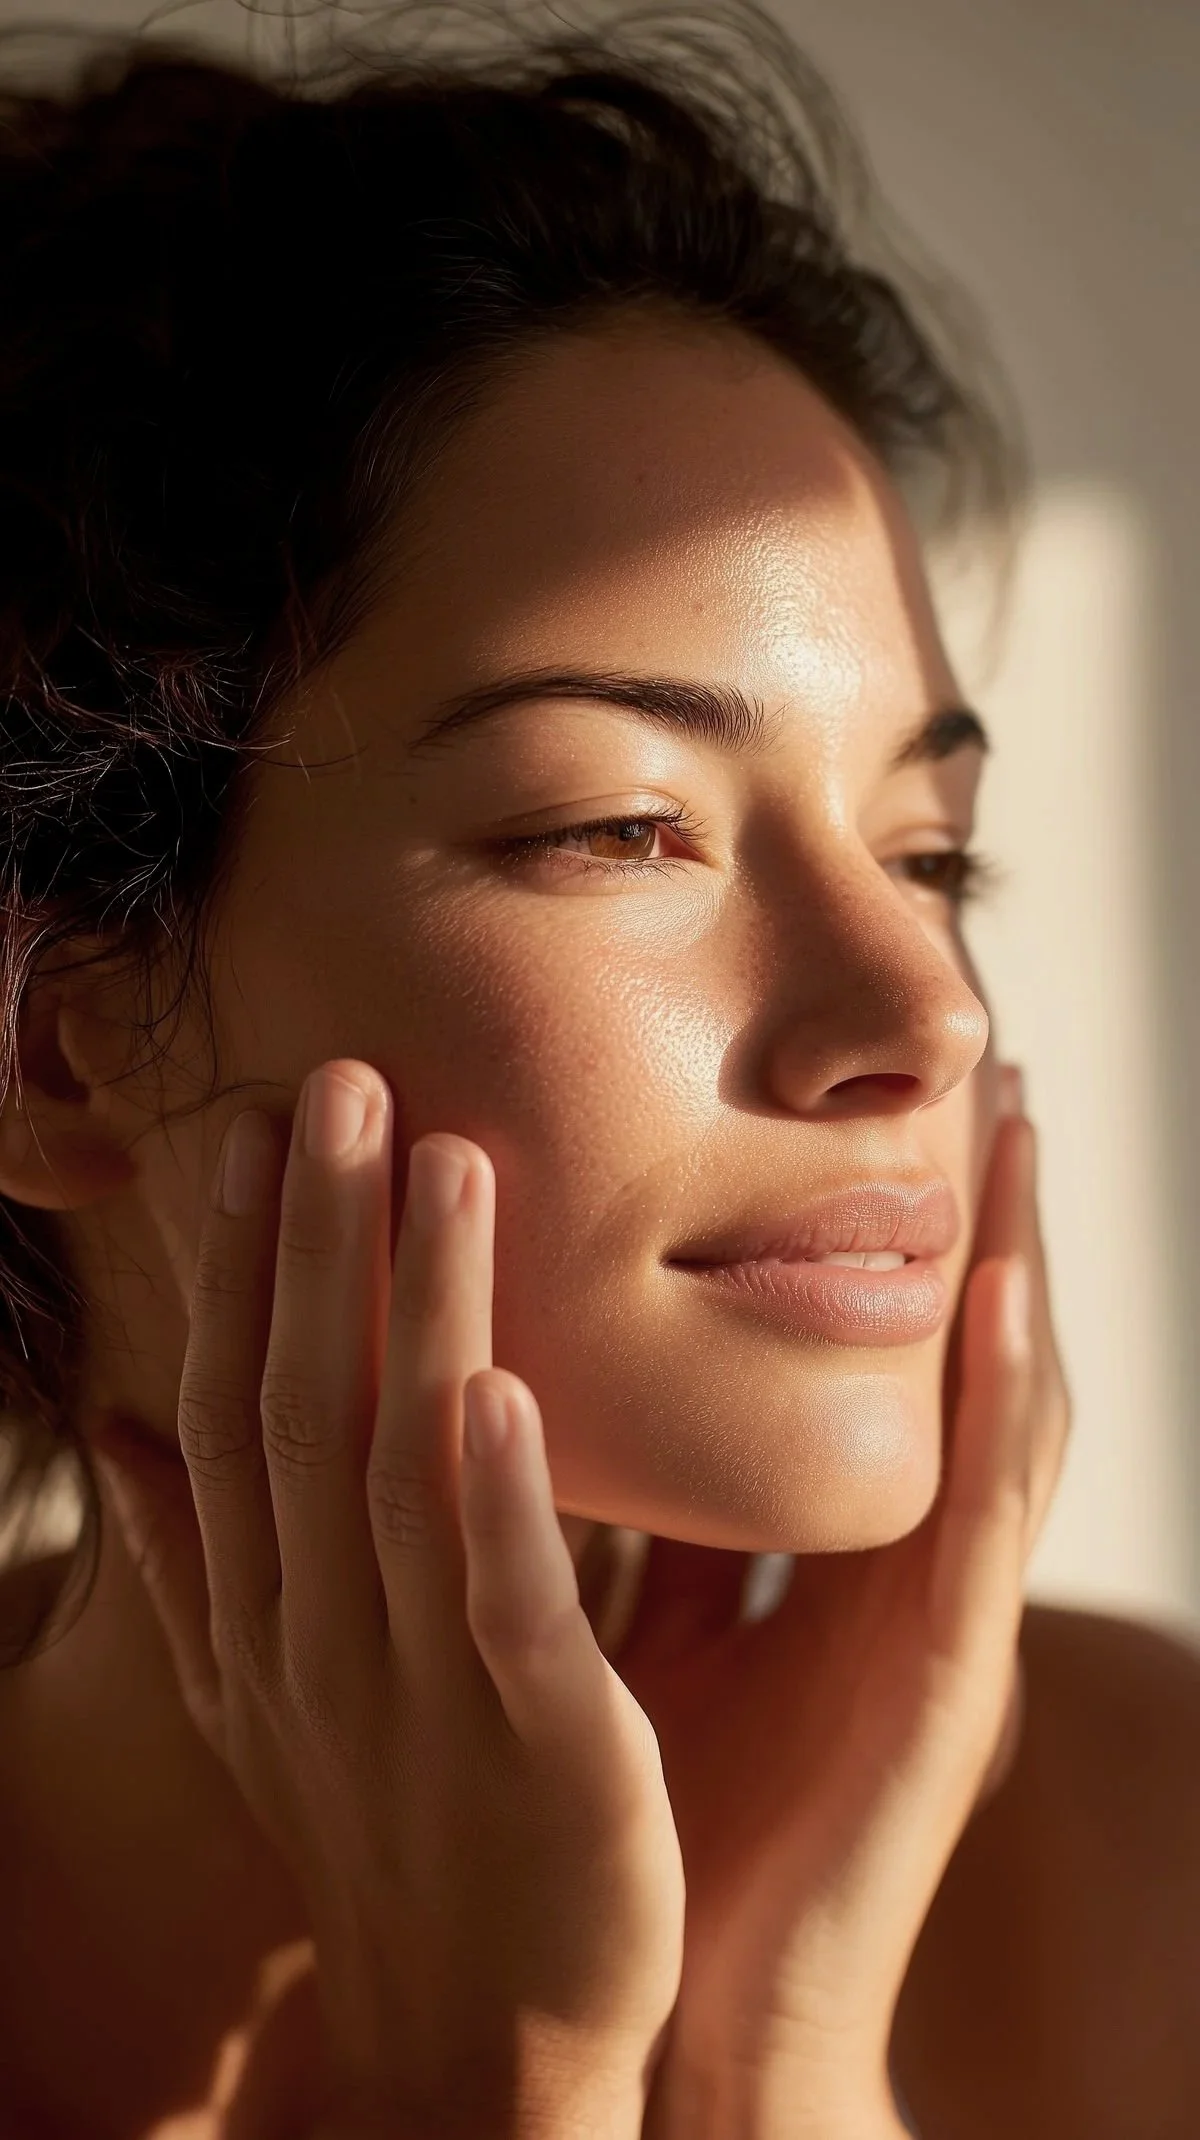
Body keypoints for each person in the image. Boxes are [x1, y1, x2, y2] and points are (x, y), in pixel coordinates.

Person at [0, 7, 1197, 2137]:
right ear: (54, 1042)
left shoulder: (1148, 1853)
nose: (924, 1013)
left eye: (930, 853)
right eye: (625, 827)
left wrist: (782, 2060)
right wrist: (508, 2082)